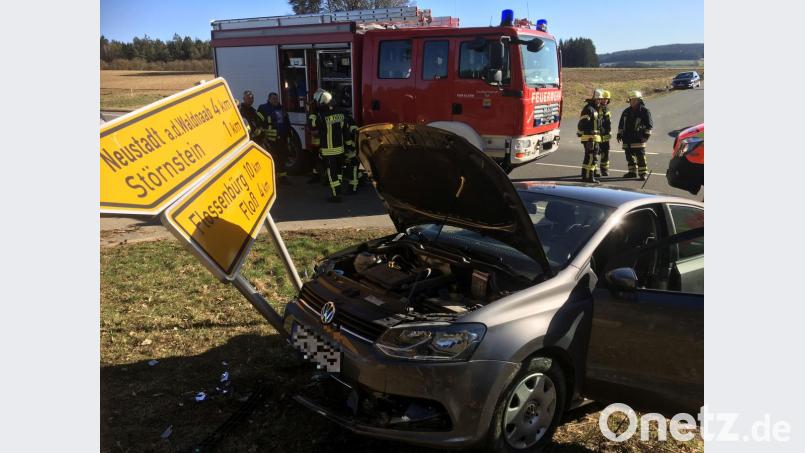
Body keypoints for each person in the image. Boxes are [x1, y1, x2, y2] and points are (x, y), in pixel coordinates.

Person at [308, 89, 353, 202]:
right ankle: (338, 190)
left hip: (328, 151)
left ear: (322, 102)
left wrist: (312, 112)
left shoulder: (322, 116)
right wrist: (349, 147)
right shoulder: (341, 113)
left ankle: (335, 195)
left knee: (331, 172)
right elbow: (346, 132)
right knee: (338, 171)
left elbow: (312, 126)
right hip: (340, 149)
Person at [617, 90, 654, 180]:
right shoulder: (626, 112)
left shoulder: (644, 111)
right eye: (631, 100)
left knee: (640, 157)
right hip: (627, 139)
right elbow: (621, 124)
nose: (633, 102)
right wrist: (619, 134)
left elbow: (649, 125)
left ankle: (643, 173)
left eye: (635, 100)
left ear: (639, 100)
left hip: (639, 139)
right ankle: (632, 172)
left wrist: (646, 137)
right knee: (629, 157)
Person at [258, 92, 291, 185]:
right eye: (273, 99)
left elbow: (287, 122)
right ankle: (273, 180)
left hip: (282, 139)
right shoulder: (263, 108)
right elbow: (258, 122)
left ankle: (283, 178)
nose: (275, 100)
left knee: (282, 158)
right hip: (270, 140)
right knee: (273, 160)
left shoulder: (281, 108)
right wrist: (262, 136)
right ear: (268, 99)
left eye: (276, 99)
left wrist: (288, 135)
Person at [577, 88, 605, 183]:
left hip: (593, 138)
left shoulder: (595, 109)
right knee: (592, 158)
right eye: (598, 99)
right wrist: (581, 133)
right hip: (590, 138)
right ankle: (589, 177)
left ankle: (585, 175)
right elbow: (582, 123)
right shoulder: (589, 109)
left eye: (600, 99)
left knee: (589, 157)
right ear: (594, 99)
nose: (600, 101)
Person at [598, 90, 613, 177]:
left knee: (606, 152)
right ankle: (595, 170)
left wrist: (609, 132)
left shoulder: (607, 108)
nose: (605, 100)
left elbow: (608, 122)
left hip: (606, 134)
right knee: (596, 153)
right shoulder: (597, 107)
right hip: (598, 134)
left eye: (606, 99)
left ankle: (604, 170)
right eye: (603, 99)